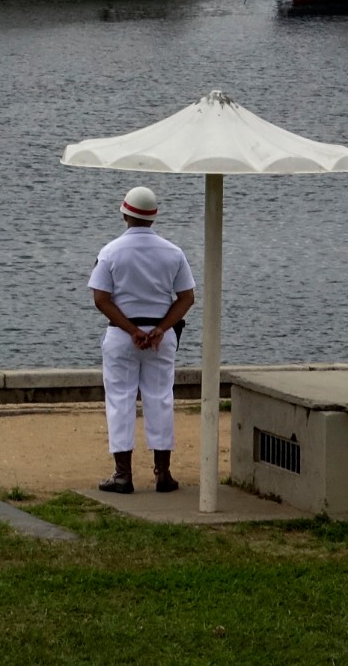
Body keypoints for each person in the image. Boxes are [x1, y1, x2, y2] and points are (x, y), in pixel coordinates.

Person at [87, 185, 196, 495]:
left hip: (122, 336)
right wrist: (161, 328)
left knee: (120, 400)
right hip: (161, 338)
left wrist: (131, 330)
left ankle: (123, 475)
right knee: (160, 398)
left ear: (124, 213)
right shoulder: (173, 252)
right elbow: (186, 297)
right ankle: (163, 474)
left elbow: (101, 299)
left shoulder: (110, 252)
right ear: (154, 217)